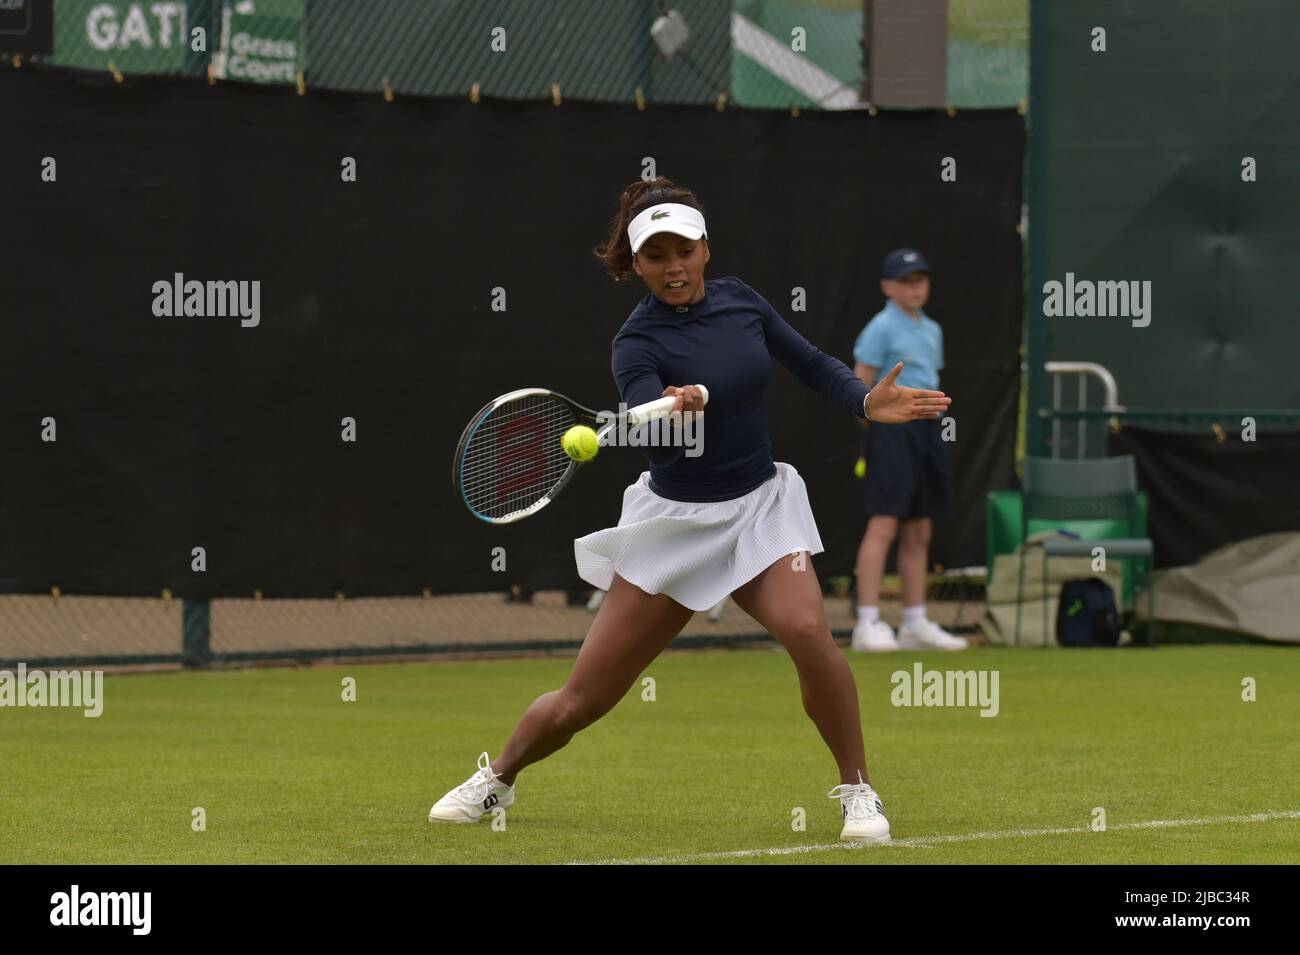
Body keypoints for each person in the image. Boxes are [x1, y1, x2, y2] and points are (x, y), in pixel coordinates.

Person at [428, 179, 950, 842]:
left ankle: (859, 792)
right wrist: (675, 415)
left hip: (760, 509)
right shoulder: (635, 341)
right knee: (583, 699)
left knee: (809, 631)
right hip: (677, 525)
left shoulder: (743, 302)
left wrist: (864, 400)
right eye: (656, 255)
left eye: (684, 249)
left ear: (706, 249)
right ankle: (497, 778)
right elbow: (649, 430)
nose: (673, 266)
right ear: (636, 265)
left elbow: (812, 363)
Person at [850, 249, 966, 652]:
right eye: (906, 280)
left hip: (928, 432)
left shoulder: (933, 330)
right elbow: (859, 385)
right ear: (888, 286)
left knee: (920, 528)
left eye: (921, 279)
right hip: (891, 432)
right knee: (884, 524)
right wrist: (878, 428)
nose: (916, 287)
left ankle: (914, 622)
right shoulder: (880, 327)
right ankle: (867, 623)